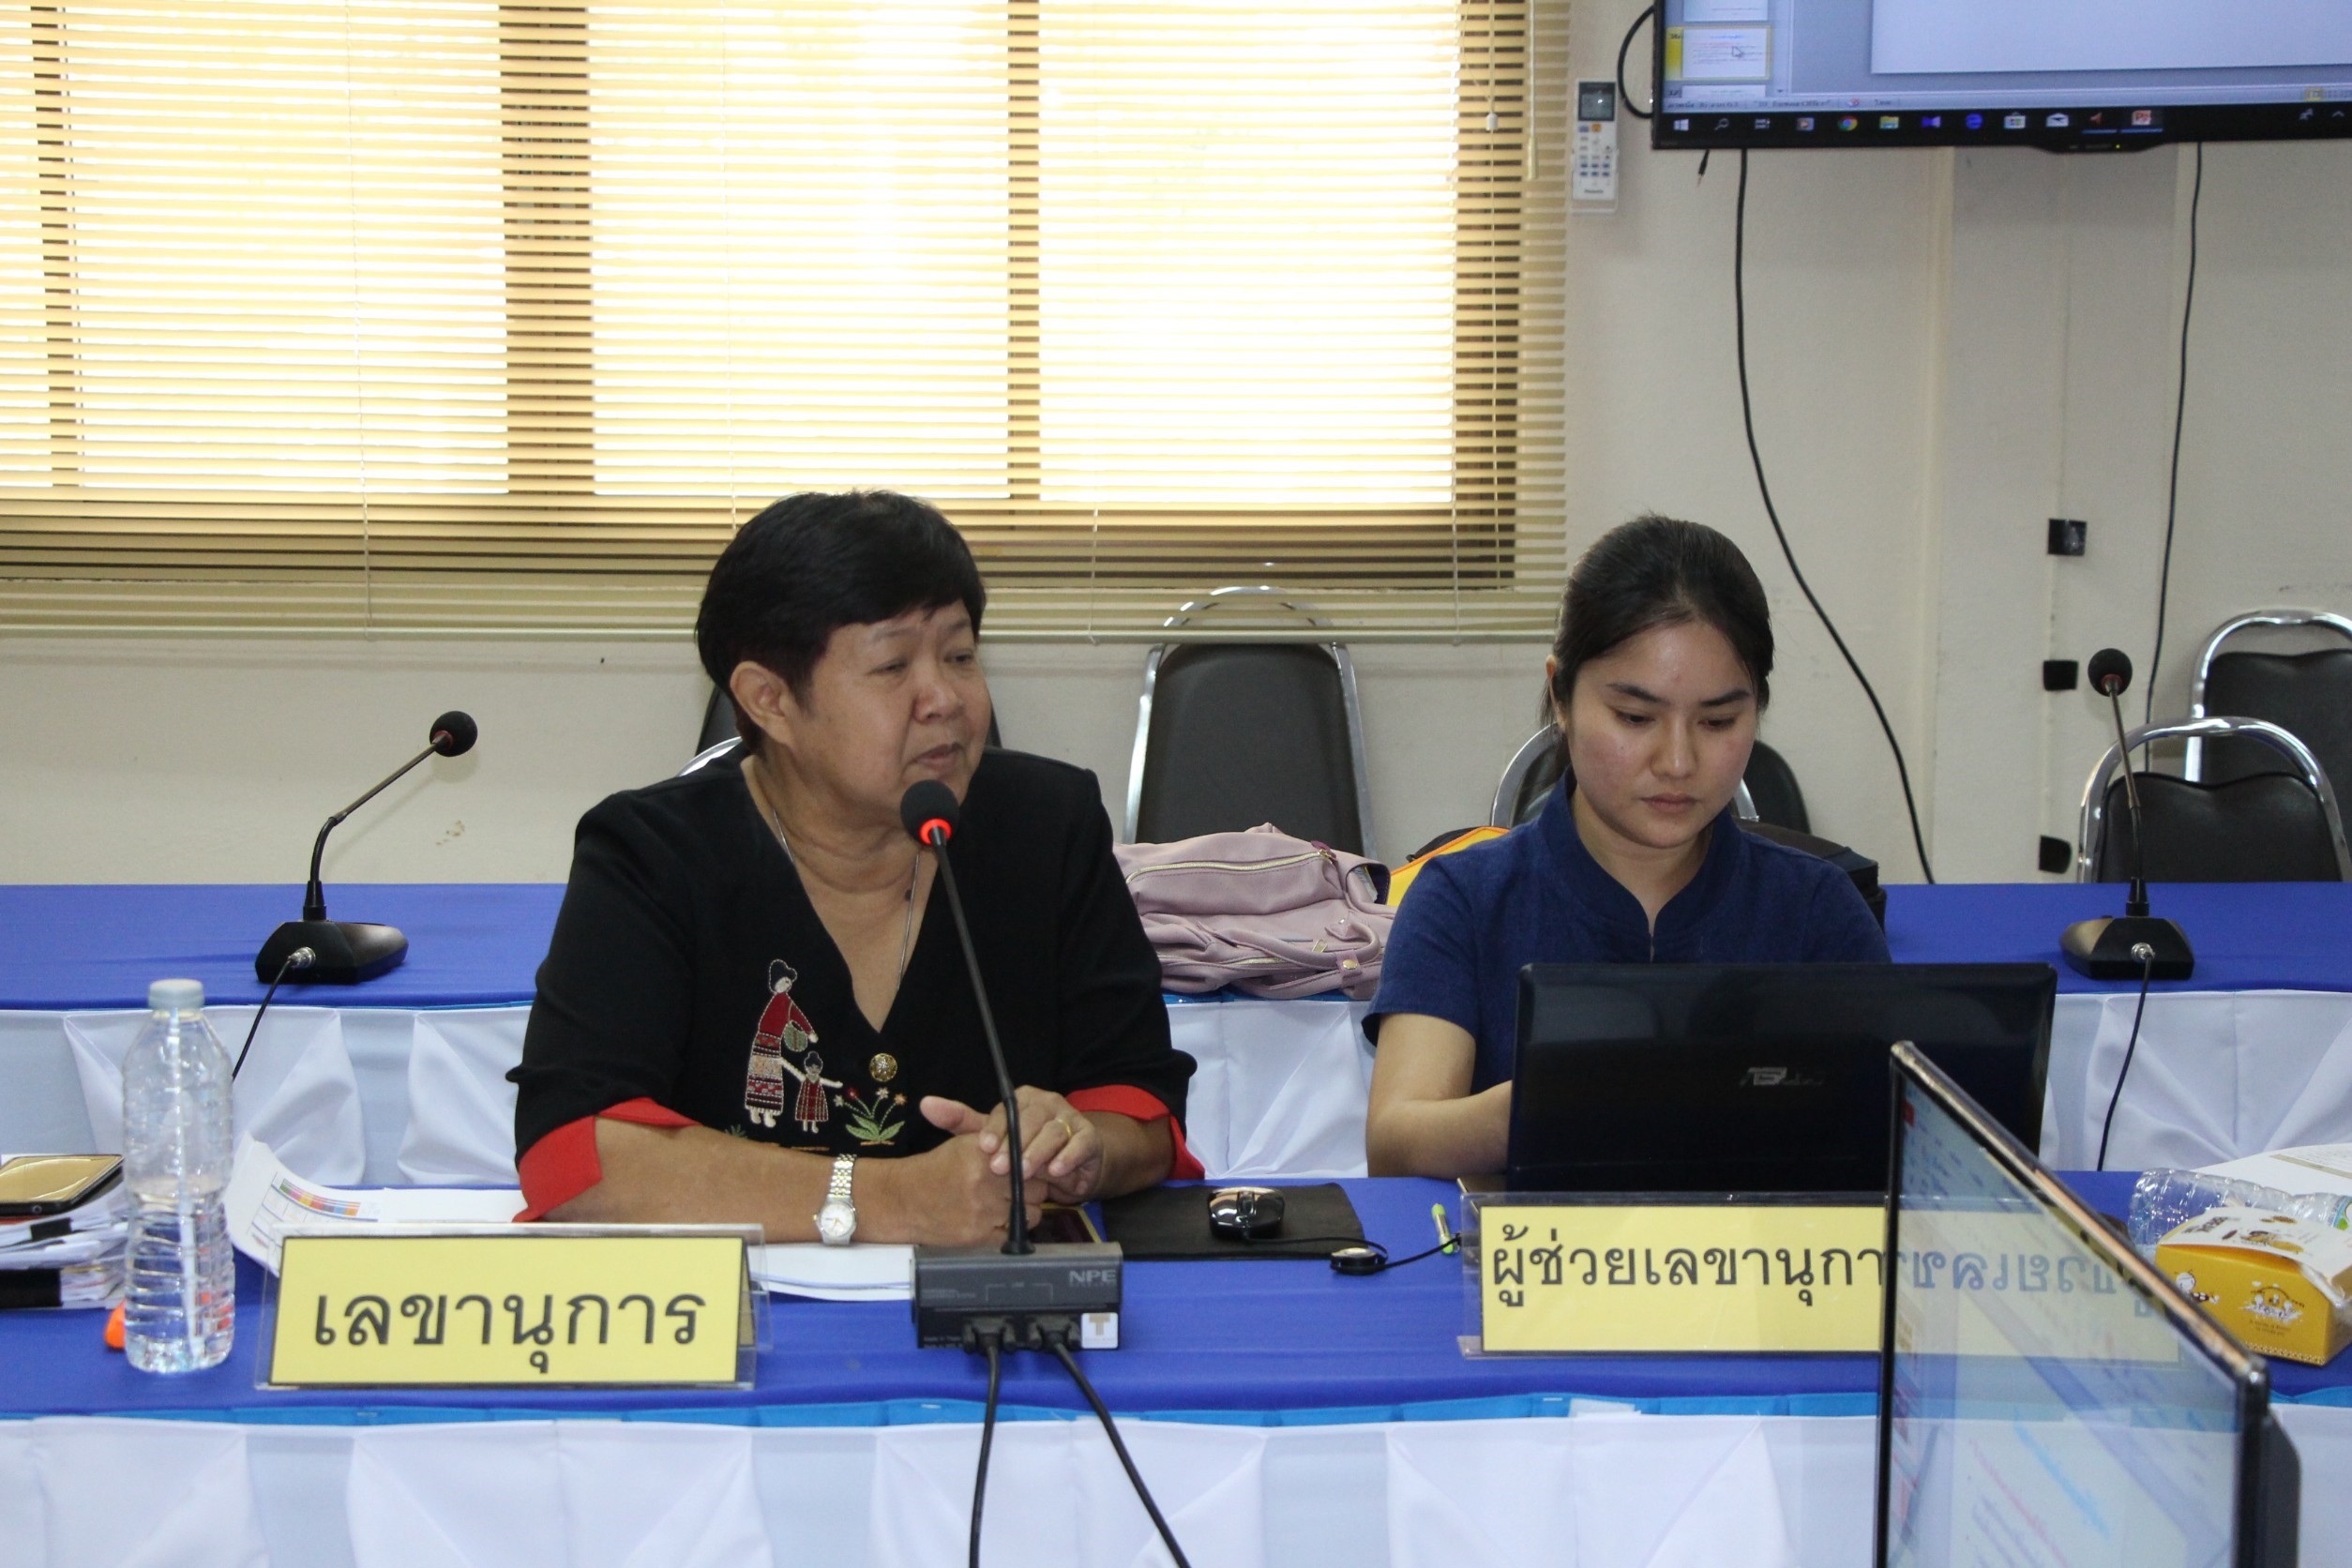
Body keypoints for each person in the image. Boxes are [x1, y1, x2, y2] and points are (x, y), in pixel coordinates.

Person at [509, 490, 1200, 1243]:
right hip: (744, 1303)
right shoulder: (653, 853)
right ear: (770, 700)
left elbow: (1142, 1109)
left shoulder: (1046, 823)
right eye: (893, 665)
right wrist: (895, 1199)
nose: (944, 699)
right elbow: (574, 1155)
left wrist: (1079, 1148)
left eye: (960, 656)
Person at [1364, 514, 1889, 1179]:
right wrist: (1560, 1099)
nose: (1677, 761)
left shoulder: (1816, 909)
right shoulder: (1465, 900)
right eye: (1636, 718)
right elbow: (1397, 1139)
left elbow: (1893, 1134)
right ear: (1560, 695)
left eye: (1719, 721)